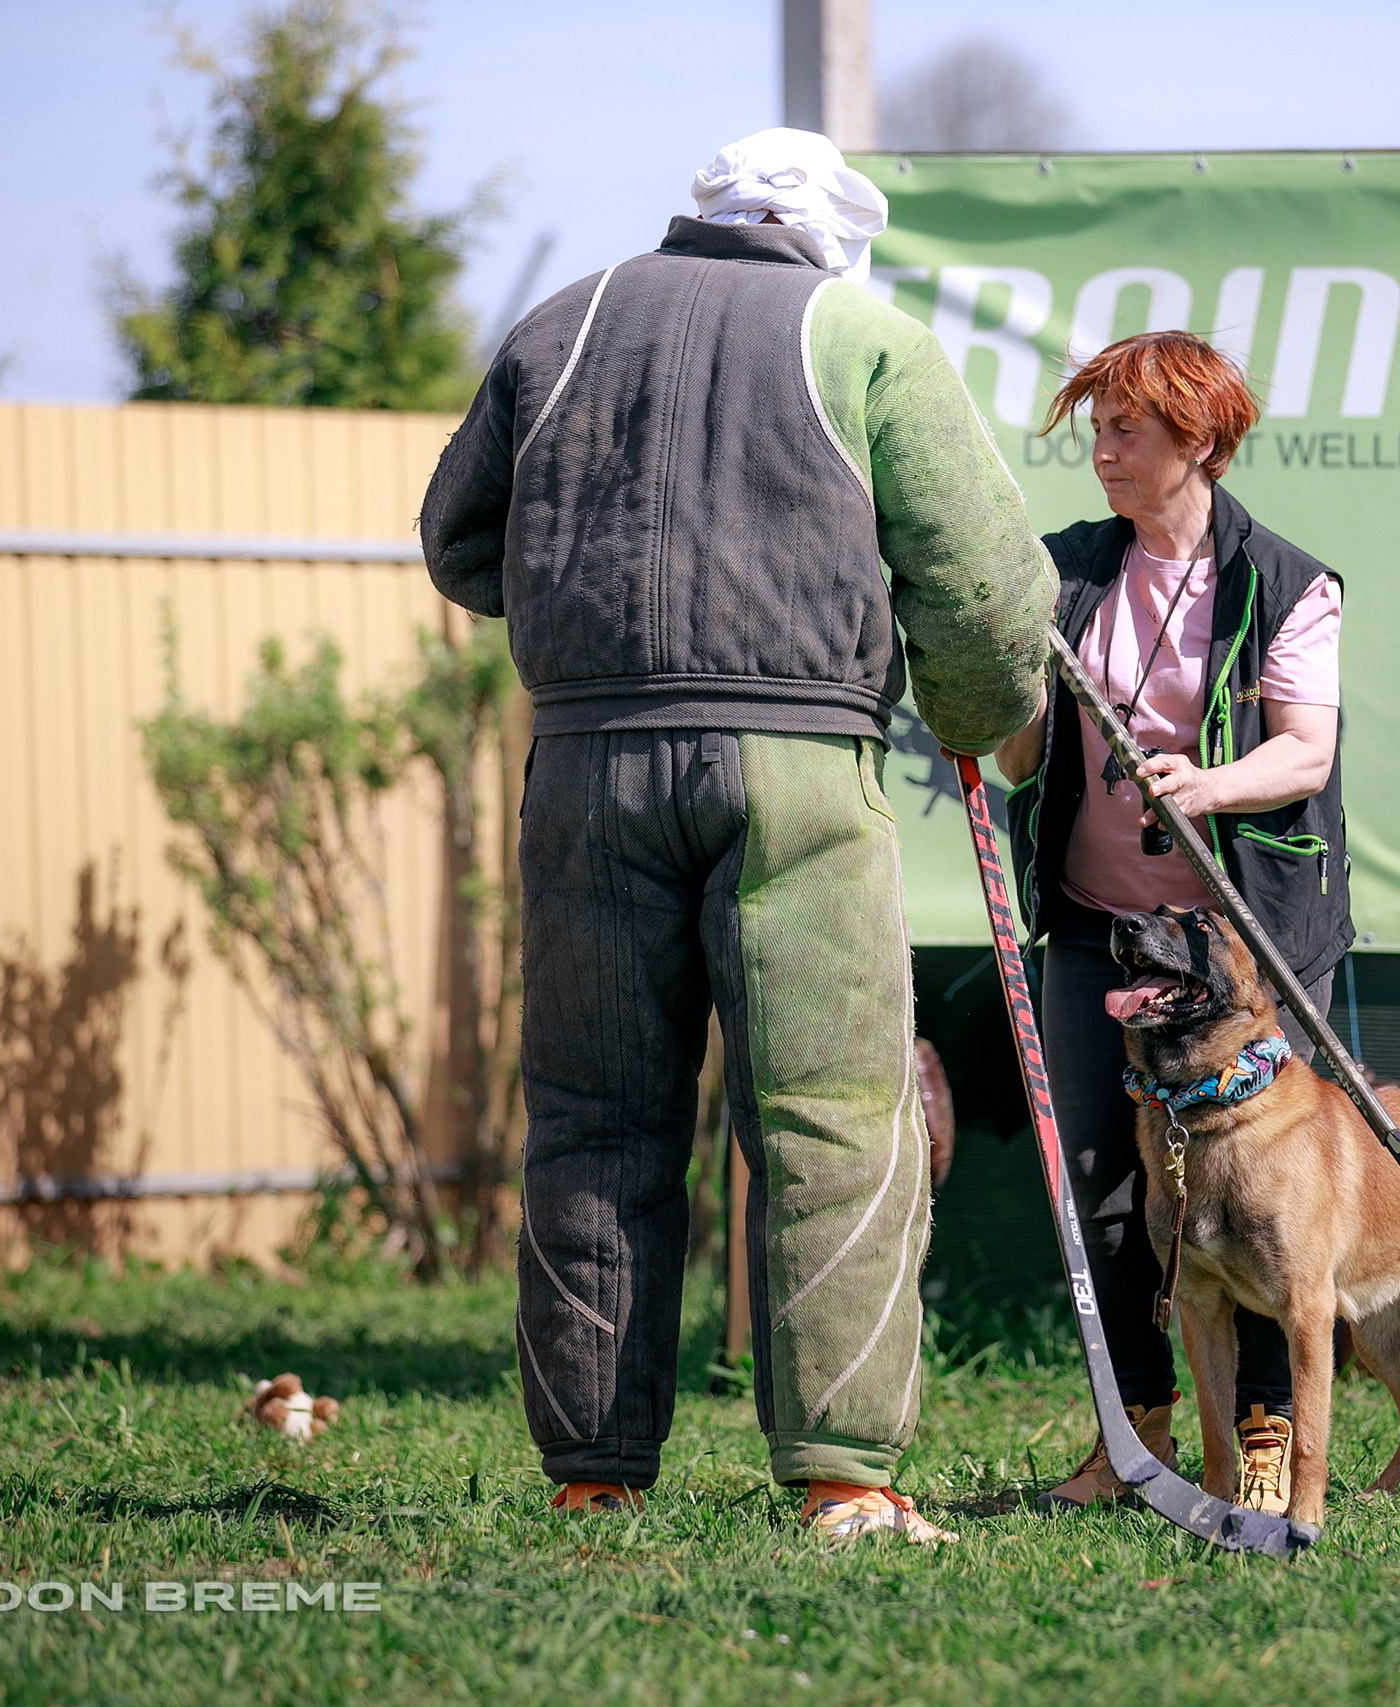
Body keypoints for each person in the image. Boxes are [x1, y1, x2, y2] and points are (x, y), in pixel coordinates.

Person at [420, 129, 1055, 1545]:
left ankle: (592, 1469)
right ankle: (842, 1478)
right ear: (831, 231)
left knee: (596, 1113)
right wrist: (965, 708)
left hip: (586, 765)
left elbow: (462, 538)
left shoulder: (559, 320)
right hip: (798, 770)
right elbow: (985, 585)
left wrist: (590, 631)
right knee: (831, 1114)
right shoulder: (864, 335)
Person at [992, 331, 1351, 1517]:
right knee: (1102, 1188)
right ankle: (1129, 1438)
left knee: (1263, 1203)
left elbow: (1306, 748)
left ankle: (1262, 1433)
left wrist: (1207, 783)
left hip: (1240, 952)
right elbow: (1024, 746)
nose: (1102, 452)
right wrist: (995, 715)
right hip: (1102, 934)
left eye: (1125, 430)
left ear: (1199, 440)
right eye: (1094, 430)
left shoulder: (1288, 581)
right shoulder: (1063, 572)